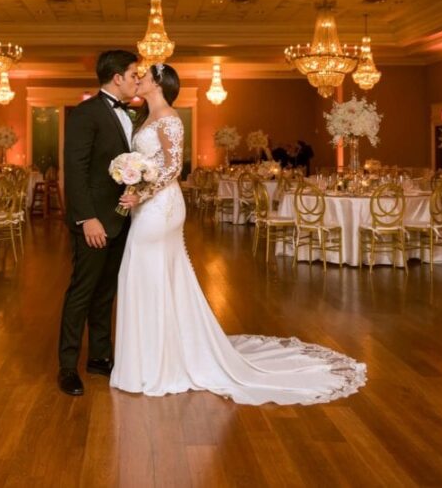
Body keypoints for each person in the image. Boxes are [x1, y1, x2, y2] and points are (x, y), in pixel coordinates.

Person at [114, 64, 366, 405]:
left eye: (144, 75)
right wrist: (133, 180)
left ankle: (159, 362)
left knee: (153, 271)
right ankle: (149, 358)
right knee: (145, 272)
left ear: (158, 83)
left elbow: (174, 168)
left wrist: (141, 193)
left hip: (161, 207)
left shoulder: (169, 118)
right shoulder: (146, 116)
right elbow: (153, 163)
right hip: (147, 205)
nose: (138, 78)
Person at [57, 49, 140, 396]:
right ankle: (67, 367)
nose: (138, 79)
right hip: (93, 220)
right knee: (82, 291)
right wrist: (87, 218)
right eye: (134, 74)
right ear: (117, 77)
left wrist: (135, 193)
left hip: (121, 219)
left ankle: (100, 358)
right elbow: (74, 169)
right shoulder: (87, 113)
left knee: (107, 292)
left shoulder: (131, 115)